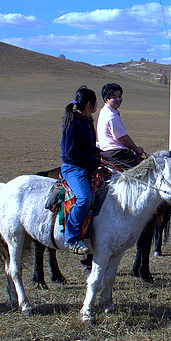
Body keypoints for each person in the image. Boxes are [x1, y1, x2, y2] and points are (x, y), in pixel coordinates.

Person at [61, 86, 101, 255]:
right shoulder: (73, 123)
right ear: (89, 104)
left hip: (88, 165)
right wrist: (94, 159)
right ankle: (72, 238)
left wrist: (101, 154)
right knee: (84, 198)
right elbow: (71, 152)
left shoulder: (87, 121)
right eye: (94, 103)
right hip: (74, 168)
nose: (96, 106)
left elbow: (89, 147)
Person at [96, 82, 144, 169]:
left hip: (110, 150)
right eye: (114, 97)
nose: (118, 99)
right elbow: (124, 139)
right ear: (106, 99)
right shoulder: (111, 116)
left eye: (119, 96)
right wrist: (137, 149)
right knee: (141, 171)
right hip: (116, 152)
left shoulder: (105, 111)